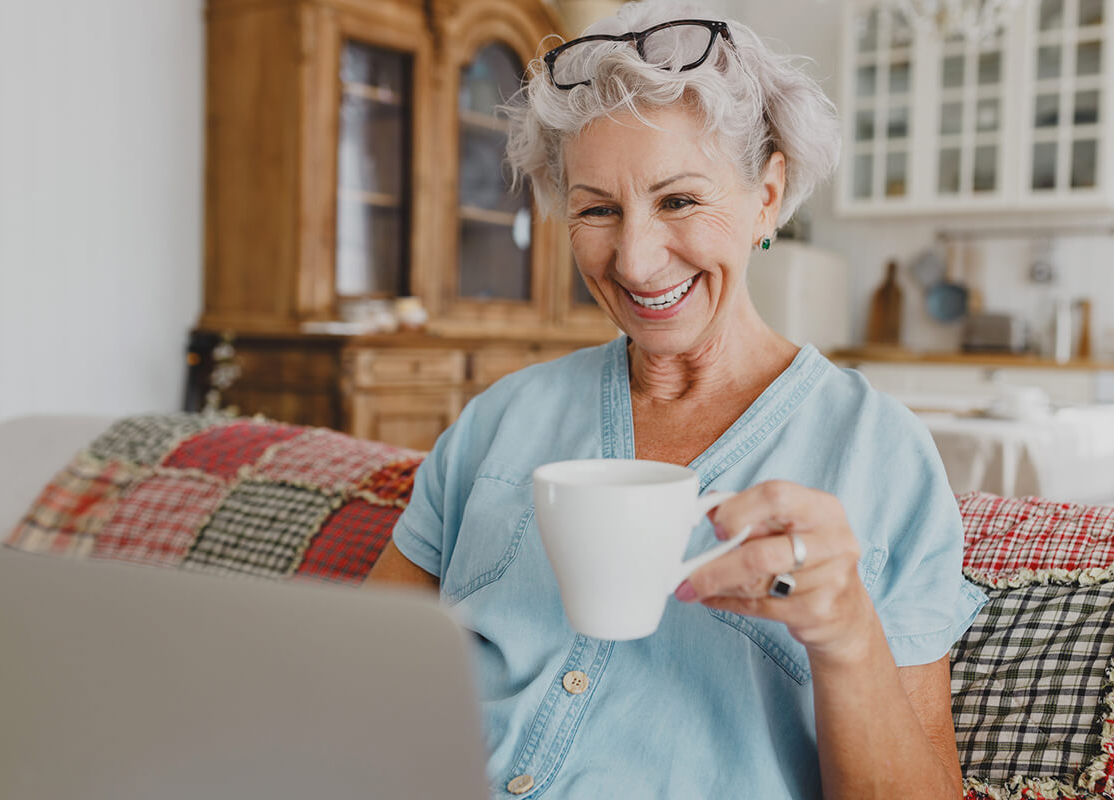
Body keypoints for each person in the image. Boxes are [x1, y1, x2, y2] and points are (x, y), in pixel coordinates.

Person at [368, 1, 986, 796]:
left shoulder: (877, 453)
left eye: (679, 201)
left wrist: (847, 635)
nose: (636, 259)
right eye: (596, 209)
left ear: (767, 196)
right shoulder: (500, 418)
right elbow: (361, 674)